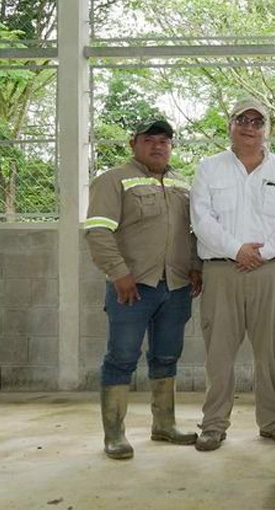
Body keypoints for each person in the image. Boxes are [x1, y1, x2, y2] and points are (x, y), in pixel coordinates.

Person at [190, 98, 275, 451]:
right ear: (231, 124)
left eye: (258, 121)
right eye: (243, 120)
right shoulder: (209, 168)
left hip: (270, 272)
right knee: (219, 352)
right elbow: (201, 219)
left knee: (269, 350)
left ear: (266, 128)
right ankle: (213, 425)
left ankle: (272, 422)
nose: (250, 127)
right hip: (222, 273)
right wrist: (237, 250)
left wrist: (262, 253)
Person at [84, 119, 202, 460]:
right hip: (132, 287)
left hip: (176, 285)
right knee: (122, 358)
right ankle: (115, 434)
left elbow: (191, 232)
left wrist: (195, 266)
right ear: (133, 144)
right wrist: (119, 273)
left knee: (166, 356)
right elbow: (98, 231)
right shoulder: (112, 180)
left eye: (164, 141)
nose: (158, 146)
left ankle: (163, 424)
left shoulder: (181, 183)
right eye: (149, 140)